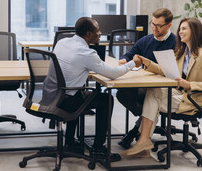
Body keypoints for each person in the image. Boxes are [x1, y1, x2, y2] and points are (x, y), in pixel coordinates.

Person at [44, 17, 142, 162]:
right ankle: (98, 148)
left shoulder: (62, 42)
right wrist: (133, 63)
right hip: (65, 100)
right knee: (106, 99)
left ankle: (70, 142)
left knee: (78, 92)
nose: (100, 33)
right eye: (98, 31)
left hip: (51, 95)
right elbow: (113, 74)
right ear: (89, 34)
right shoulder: (87, 53)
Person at [121, 17, 202, 157]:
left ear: (195, 31)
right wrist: (148, 63)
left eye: (184, 28)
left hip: (196, 99)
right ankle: (143, 142)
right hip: (181, 93)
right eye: (180, 28)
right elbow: (166, 70)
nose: (180, 32)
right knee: (153, 90)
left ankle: (143, 142)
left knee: (153, 99)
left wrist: (190, 85)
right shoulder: (183, 51)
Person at [116, 8, 176, 149]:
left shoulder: (176, 43)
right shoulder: (146, 40)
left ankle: (135, 131)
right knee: (122, 93)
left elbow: (175, 72)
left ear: (169, 25)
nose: (154, 28)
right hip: (145, 85)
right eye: (153, 24)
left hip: (164, 88)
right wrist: (124, 60)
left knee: (148, 97)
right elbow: (130, 54)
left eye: (159, 25)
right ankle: (144, 119)